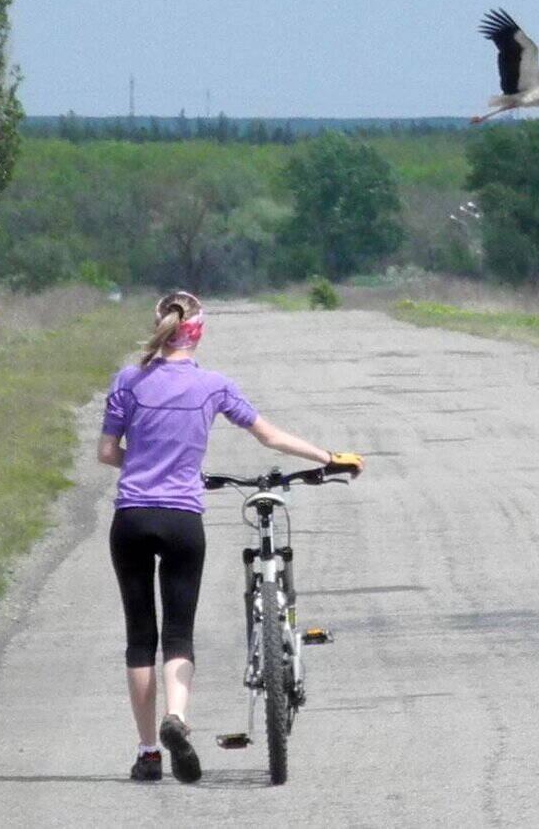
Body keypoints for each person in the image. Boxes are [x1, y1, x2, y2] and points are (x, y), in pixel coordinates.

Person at [97, 290, 362, 784]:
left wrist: (146, 463)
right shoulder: (213, 386)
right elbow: (269, 436)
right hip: (182, 522)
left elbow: (108, 453)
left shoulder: (128, 381)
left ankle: (149, 753)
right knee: (178, 634)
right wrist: (328, 457)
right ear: (197, 333)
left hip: (131, 518)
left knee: (140, 638)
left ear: (159, 327)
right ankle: (176, 716)